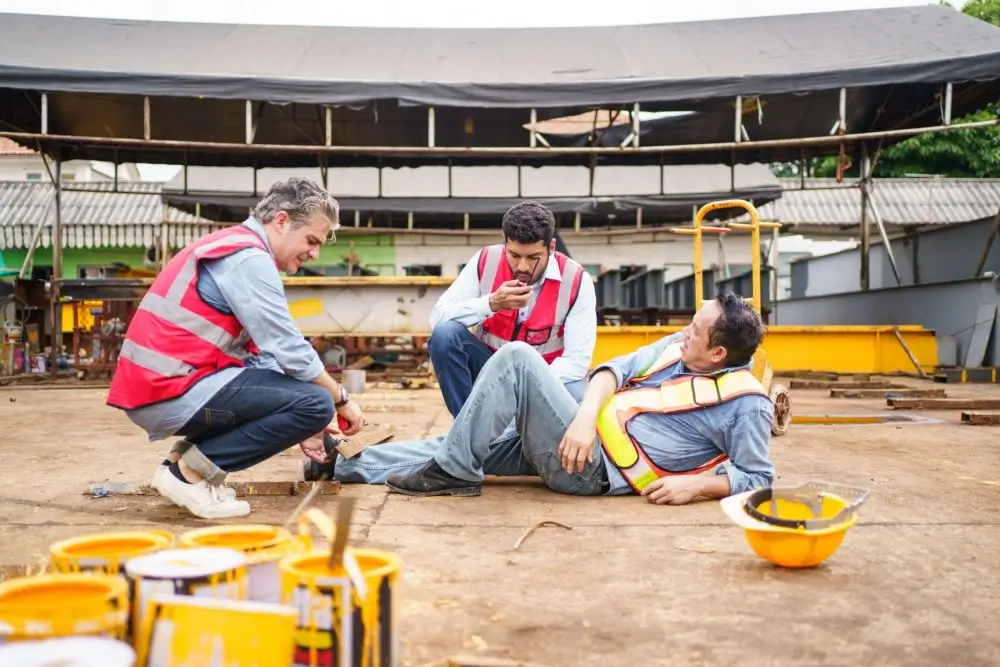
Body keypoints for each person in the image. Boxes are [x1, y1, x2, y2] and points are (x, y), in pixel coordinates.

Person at [332, 291, 775, 504]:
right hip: (574, 436)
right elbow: (611, 371)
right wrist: (583, 418)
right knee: (451, 447)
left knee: (519, 358)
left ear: (719, 352)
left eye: (696, 330)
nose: (685, 331)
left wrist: (698, 485)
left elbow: (758, 479)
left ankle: (455, 472)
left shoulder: (746, 405)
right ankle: (339, 465)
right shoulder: (677, 347)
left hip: (592, 471)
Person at [106, 177, 366, 520]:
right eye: (311, 240)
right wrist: (339, 400)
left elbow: (267, 356)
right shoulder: (248, 259)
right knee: (316, 401)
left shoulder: (233, 247)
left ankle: (177, 466)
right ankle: (190, 475)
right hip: (169, 389)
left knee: (307, 401)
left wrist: (306, 424)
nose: (315, 253)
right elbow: (288, 347)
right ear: (282, 221)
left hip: (165, 385)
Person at [427, 201, 597, 417]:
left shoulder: (576, 280)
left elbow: (578, 360)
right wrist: (491, 303)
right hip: (488, 370)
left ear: (551, 247)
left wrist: (524, 384)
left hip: (544, 378)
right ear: (505, 242)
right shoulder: (485, 261)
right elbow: (438, 318)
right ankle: (467, 431)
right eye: (514, 255)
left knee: (576, 393)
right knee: (445, 335)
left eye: (533, 257)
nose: (523, 267)